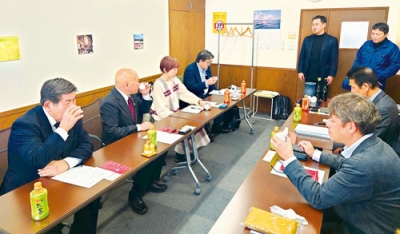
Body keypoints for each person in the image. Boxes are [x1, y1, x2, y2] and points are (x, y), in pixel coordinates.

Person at [271, 92, 400, 233]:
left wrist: (289, 157)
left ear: (351, 127)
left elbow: (318, 197)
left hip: (360, 227)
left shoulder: (362, 165)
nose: (327, 124)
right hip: (360, 213)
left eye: (332, 121)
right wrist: (315, 154)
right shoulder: (374, 144)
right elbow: (344, 163)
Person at [0, 78, 99, 234]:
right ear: (48, 105)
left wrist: (65, 163)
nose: (74, 106)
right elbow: (37, 159)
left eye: (74, 99)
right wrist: (63, 129)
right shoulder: (25, 124)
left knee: (92, 197)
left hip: (59, 178)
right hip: (27, 188)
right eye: (67, 102)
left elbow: (87, 145)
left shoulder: (70, 117)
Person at [100, 68, 167, 215]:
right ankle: (135, 195)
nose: (139, 82)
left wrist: (145, 95)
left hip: (132, 138)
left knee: (161, 148)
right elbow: (112, 131)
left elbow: (144, 108)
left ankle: (149, 182)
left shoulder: (131, 95)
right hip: (116, 145)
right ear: (126, 84)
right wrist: (138, 127)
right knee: (146, 157)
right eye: (136, 80)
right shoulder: (110, 103)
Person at [151, 56, 210, 162]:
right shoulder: (158, 85)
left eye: (176, 69)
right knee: (185, 127)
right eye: (174, 70)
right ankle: (180, 153)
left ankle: (183, 152)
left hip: (174, 113)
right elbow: (161, 110)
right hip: (162, 117)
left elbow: (184, 93)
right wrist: (177, 118)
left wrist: (199, 101)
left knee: (194, 126)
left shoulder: (174, 80)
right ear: (165, 69)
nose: (176, 72)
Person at [347, 66, 399, 148]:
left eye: (353, 87)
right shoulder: (376, 100)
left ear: (365, 86)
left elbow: (368, 142)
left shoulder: (382, 109)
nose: (352, 91)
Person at [183, 50, 232, 134]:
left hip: (206, 93)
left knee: (222, 101)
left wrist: (218, 93)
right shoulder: (190, 69)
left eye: (210, 62)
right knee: (212, 105)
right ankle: (207, 131)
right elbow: (191, 88)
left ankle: (217, 126)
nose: (209, 64)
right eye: (207, 62)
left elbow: (210, 83)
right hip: (196, 96)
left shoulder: (207, 68)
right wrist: (206, 83)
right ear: (200, 61)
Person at [343, 22, 400, 91]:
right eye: (373, 34)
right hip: (361, 76)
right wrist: (352, 73)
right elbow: (358, 60)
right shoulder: (367, 44)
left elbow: (395, 65)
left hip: (377, 79)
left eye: (378, 34)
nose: (374, 36)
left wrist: (379, 76)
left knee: (371, 99)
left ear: (386, 34)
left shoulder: (392, 48)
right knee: (346, 84)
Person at [297, 15, 339, 97]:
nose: (314, 27)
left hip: (324, 75)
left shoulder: (332, 40)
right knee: (307, 97)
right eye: (313, 25)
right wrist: (300, 71)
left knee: (321, 98)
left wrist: (331, 74)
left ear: (324, 25)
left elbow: (334, 59)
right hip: (309, 73)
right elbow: (302, 56)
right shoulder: (307, 39)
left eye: (316, 24)